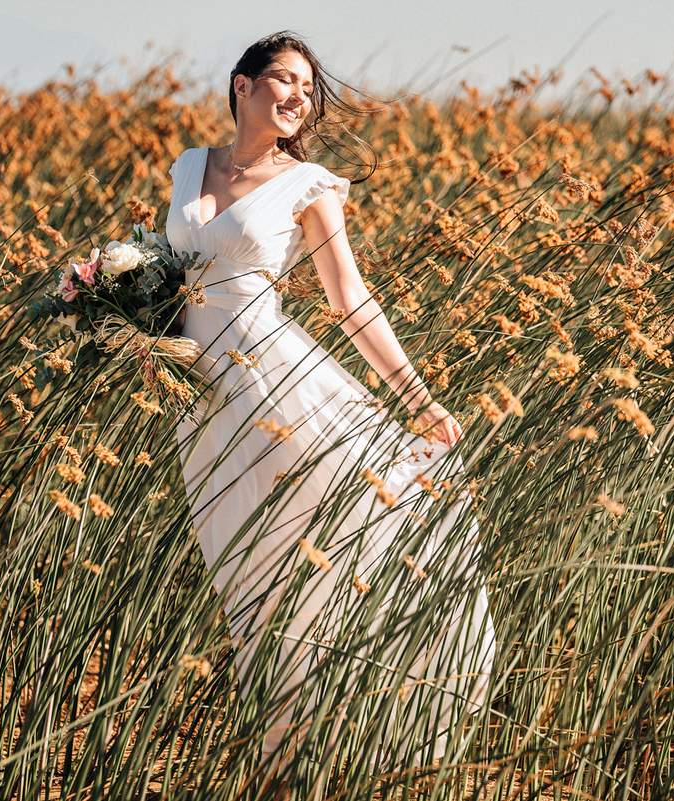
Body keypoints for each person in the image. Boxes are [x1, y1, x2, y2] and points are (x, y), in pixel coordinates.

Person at [167, 32, 495, 783]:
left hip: (278, 388)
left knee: (321, 554)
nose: (296, 96)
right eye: (282, 80)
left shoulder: (309, 183)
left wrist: (418, 397)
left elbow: (350, 301)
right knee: (244, 581)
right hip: (204, 405)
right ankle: (284, 757)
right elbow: (171, 269)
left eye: (306, 88)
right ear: (242, 85)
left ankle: (362, 729)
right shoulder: (190, 166)